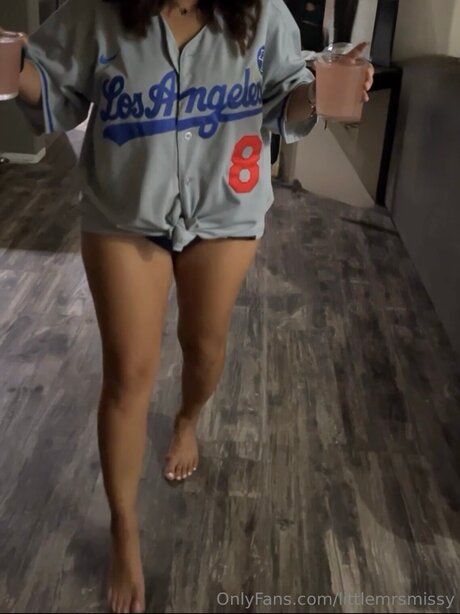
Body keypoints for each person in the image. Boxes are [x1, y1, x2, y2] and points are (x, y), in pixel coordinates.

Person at [1, 0, 373, 611]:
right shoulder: (98, 12)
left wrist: (323, 93)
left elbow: (284, 102)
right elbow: (54, 87)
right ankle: (124, 528)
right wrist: (14, 67)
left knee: (204, 348)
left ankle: (187, 419)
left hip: (225, 209)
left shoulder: (262, 12)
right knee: (128, 374)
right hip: (125, 212)